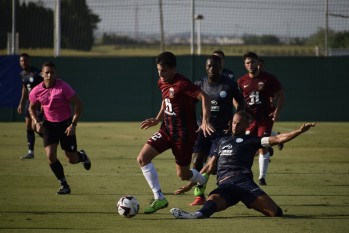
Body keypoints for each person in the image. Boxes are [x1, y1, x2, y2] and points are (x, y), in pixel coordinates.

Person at [170, 111, 316, 219]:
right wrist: (191, 184)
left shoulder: (252, 140)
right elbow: (209, 166)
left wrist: (298, 131)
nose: (235, 126)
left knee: (276, 213)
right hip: (226, 185)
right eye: (234, 122)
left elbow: (277, 138)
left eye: (239, 123)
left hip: (244, 183)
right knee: (212, 199)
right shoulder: (222, 141)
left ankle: (250, 200)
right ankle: (195, 215)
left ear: (247, 125)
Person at [137, 51, 215, 214]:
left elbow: (205, 97)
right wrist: (158, 119)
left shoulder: (183, 84)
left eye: (164, 70)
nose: (161, 74)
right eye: (159, 70)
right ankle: (159, 198)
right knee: (142, 158)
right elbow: (166, 100)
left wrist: (205, 120)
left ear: (173, 69)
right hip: (166, 130)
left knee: (183, 175)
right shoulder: (162, 82)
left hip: (184, 136)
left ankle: (201, 179)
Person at [173, 55, 245, 206]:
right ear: (206, 67)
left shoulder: (230, 84)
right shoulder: (199, 83)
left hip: (221, 132)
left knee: (212, 167)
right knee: (197, 161)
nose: (212, 69)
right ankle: (200, 195)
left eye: (215, 66)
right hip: (203, 128)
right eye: (209, 66)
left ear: (221, 67)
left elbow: (241, 102)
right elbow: (189, 103)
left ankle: (209, 192)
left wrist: (235, 119)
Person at [28, 61, 91, 195]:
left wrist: (73, 125)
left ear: (56, 74)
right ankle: (64, 185)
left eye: (52, 72)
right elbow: (31, 107)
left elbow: (79, 105)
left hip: (66, 125)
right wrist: (36, 121)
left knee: (71, 159)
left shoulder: (63, 87)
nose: (49, 75)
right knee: (50, 156)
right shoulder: (36, 90)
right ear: (42, 74)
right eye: (47, 73)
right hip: (49, 125)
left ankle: (82, 156)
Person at [236, 52, 285, 186]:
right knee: (247, 147)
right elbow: (236, 98)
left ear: (258, 63)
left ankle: (262, 178)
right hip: (250, 120)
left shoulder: (268, 79)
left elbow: (281, 93)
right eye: (247, 63)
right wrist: (240, 112)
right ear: (244, 64)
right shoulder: (241, 81)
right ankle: (244, 174)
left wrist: (277, 111)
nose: (250, 65)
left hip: (265, 118)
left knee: (262, 146)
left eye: (252, 62)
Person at [17, 53, 43, 159]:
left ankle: (50, 138)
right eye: (21, 61)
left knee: (35, 127)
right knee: (28, 126)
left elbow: (45, 85)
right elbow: (24, 88)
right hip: (29, 103)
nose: (23, 63)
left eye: (25, 60)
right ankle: (30, 152)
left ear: (29, 61)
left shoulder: (36, 73)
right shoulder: (22, 74)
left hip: (38, 102)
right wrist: (21, 103)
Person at [258, 58, 284, 152]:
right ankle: (276, 136)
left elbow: (279, 92)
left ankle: (267, 149)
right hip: (254, 111)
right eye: (258, 64)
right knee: (255, 134)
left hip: (268, 110)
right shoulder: (250, 78)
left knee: (262, 134)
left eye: (261, 65)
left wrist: (273, 100)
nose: (259, 67)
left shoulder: (268, 78)